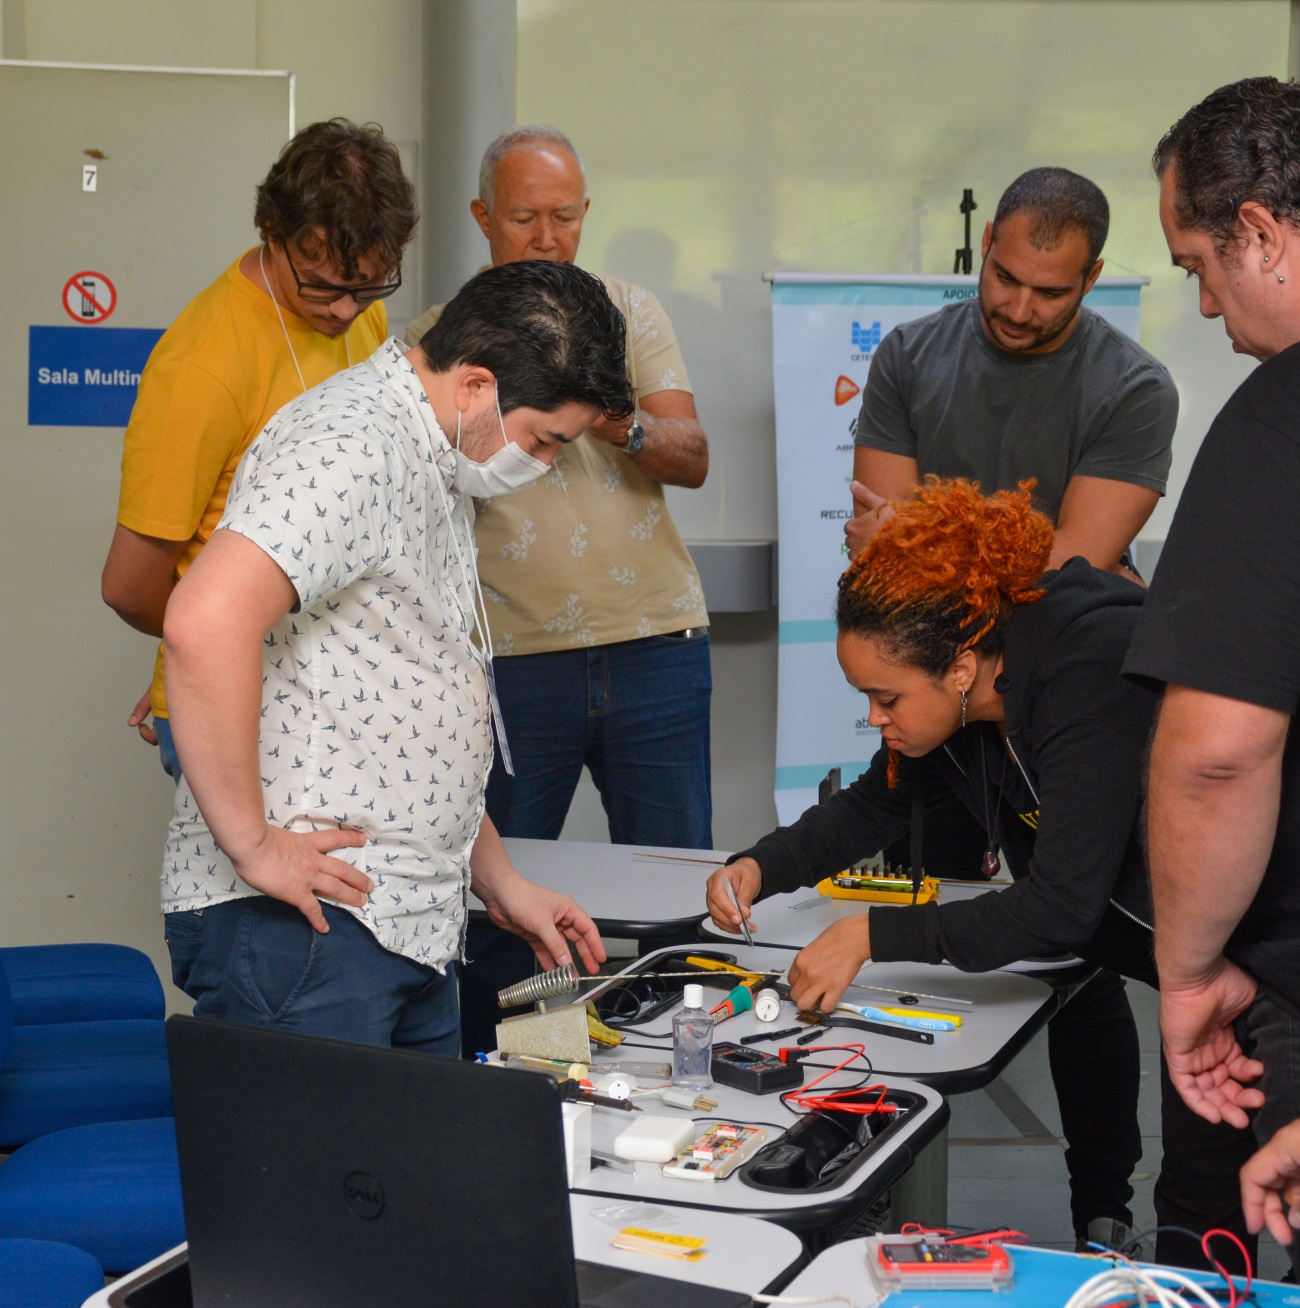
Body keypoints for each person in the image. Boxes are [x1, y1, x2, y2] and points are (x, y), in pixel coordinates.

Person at [705, 478, 1255, 1271]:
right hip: (1204, 984)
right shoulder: (969, 701)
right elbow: (874, 805)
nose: (875, 718)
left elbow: (1061, 908)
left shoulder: (1090, 672)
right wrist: (761, 864)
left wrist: (870, 934)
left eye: (886, 697)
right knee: (1202, 1216)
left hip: (1271, 958)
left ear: (960, 668)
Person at [157, 260, 635, 1053]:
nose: (545, 465)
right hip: (314, 930)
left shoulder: (432, 456)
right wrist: (253, 845)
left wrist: (499, 882)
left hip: (406, 924)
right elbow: (203, 622)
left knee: (421, 1142)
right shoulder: (353, 445)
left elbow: (402, 694)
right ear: (476, 386)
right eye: (545, 439)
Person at [843, 167, 1180, 1252]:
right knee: (920, 942)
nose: (1021, 306)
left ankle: (1102, 1206)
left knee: (1079, 956)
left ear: (1093, 277)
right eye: (1005, 278)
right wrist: (926, 578)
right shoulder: (909, 356)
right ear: (986, 243)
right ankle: (875, 1189)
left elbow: (1059, 582)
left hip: (1053, 704)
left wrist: (922, 552)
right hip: (955, 700)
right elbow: (892, 572)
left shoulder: (1134, 387)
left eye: (1051, 290)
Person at [406, 125, 712, 1054]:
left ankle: (681, 1085)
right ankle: (514, 1091)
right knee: (501, 907)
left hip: (654, 646)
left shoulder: (630, 312)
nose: (548, 237)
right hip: (508, 659)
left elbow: (692, 457)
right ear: (482, 216)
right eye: (525, 217)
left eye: (566, 217)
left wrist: (611, 417)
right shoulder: (436, 339)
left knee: (675, 896)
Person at [1122, 76, 1300, 1277]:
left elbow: (1217, 755)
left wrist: (1185, 974)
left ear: (1261, 234)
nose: (1201, 302)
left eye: (1199, 264)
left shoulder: (1277, 421)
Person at [102, 118, 417, 781]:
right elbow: (129, 588)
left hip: (335, 689)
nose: (345, 311)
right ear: (273, 233)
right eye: (322, 285)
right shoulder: (203, 366)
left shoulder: (360, 313)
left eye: (368, 286)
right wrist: (208, 651)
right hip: (244, 697)